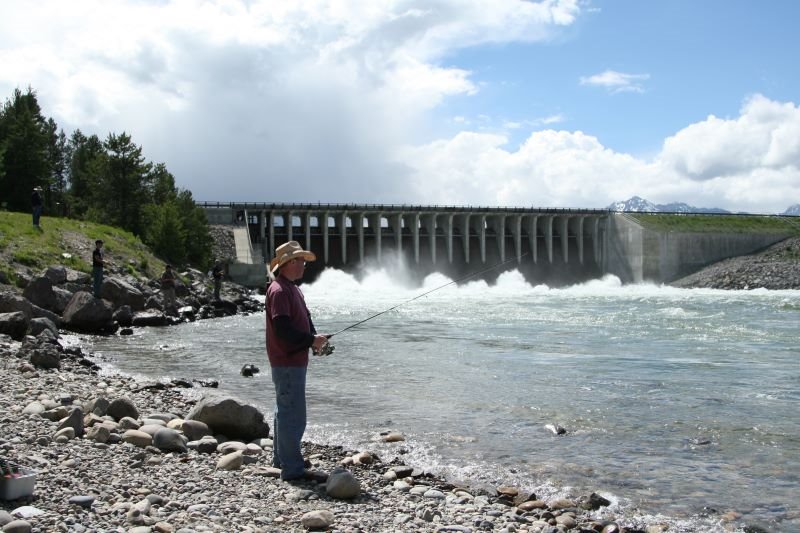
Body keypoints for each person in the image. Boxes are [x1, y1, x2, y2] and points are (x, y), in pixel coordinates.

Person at [265, 241, 329, 481]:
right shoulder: (280, 290)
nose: (304, 265)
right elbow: (283, 329)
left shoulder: (291, 288)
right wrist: (310, 340)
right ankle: (292, 469)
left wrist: (313, 339)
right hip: (287, 361)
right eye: (301, 260)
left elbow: (302, 322)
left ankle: (281, 460)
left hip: (291, 360)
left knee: (284, 411)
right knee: (293, 415)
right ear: (290, 263)